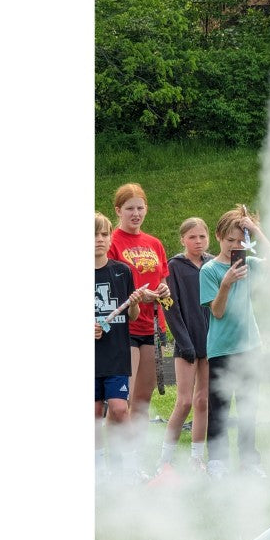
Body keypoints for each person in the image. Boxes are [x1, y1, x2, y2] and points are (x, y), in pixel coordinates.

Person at [200, 207, 270, 479]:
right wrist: (226, 283)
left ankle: (249, 460)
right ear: (219, 237)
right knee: (220, 406)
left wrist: (256, 230)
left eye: (240, 241)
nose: (235, 246)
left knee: (248, 406)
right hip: (221, 348)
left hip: (250, 347)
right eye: (230, 241)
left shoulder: (250, 265)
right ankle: (217, 461)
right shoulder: (209, 270)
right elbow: (217, 312)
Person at [107, 183, 171, 435]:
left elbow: (162, 281)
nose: (136, 213)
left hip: (153, 326)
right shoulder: (111, 242)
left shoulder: (154, 243)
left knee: (143, 400)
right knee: (124, 401)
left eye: (140, 208)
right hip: (126, 326)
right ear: (118, 210)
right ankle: (111, 462)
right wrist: (135, 297)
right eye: (129, 208)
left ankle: (135, 459)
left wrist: (164, 292)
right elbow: (108, 283)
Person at [157, 217, 212, 474]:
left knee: (203, 401)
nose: (197, 241)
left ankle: (196, 458)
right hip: (186, 343)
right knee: (185, 402)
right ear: (182, 240)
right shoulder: (175, 267)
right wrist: (183, 340)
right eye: (192, 237)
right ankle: (164, 460)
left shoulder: (213, 264)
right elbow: (169, 305)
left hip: (211, 342)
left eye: (202, 236)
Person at [94, 212, 142, 480]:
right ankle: (98, 471)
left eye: (104, 234)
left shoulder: (122, 271)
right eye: (93, 235)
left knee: (120, 408)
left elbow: (132, 316)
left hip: (116, 354)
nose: (99, 240)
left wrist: (134, 301)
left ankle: (128, 467)